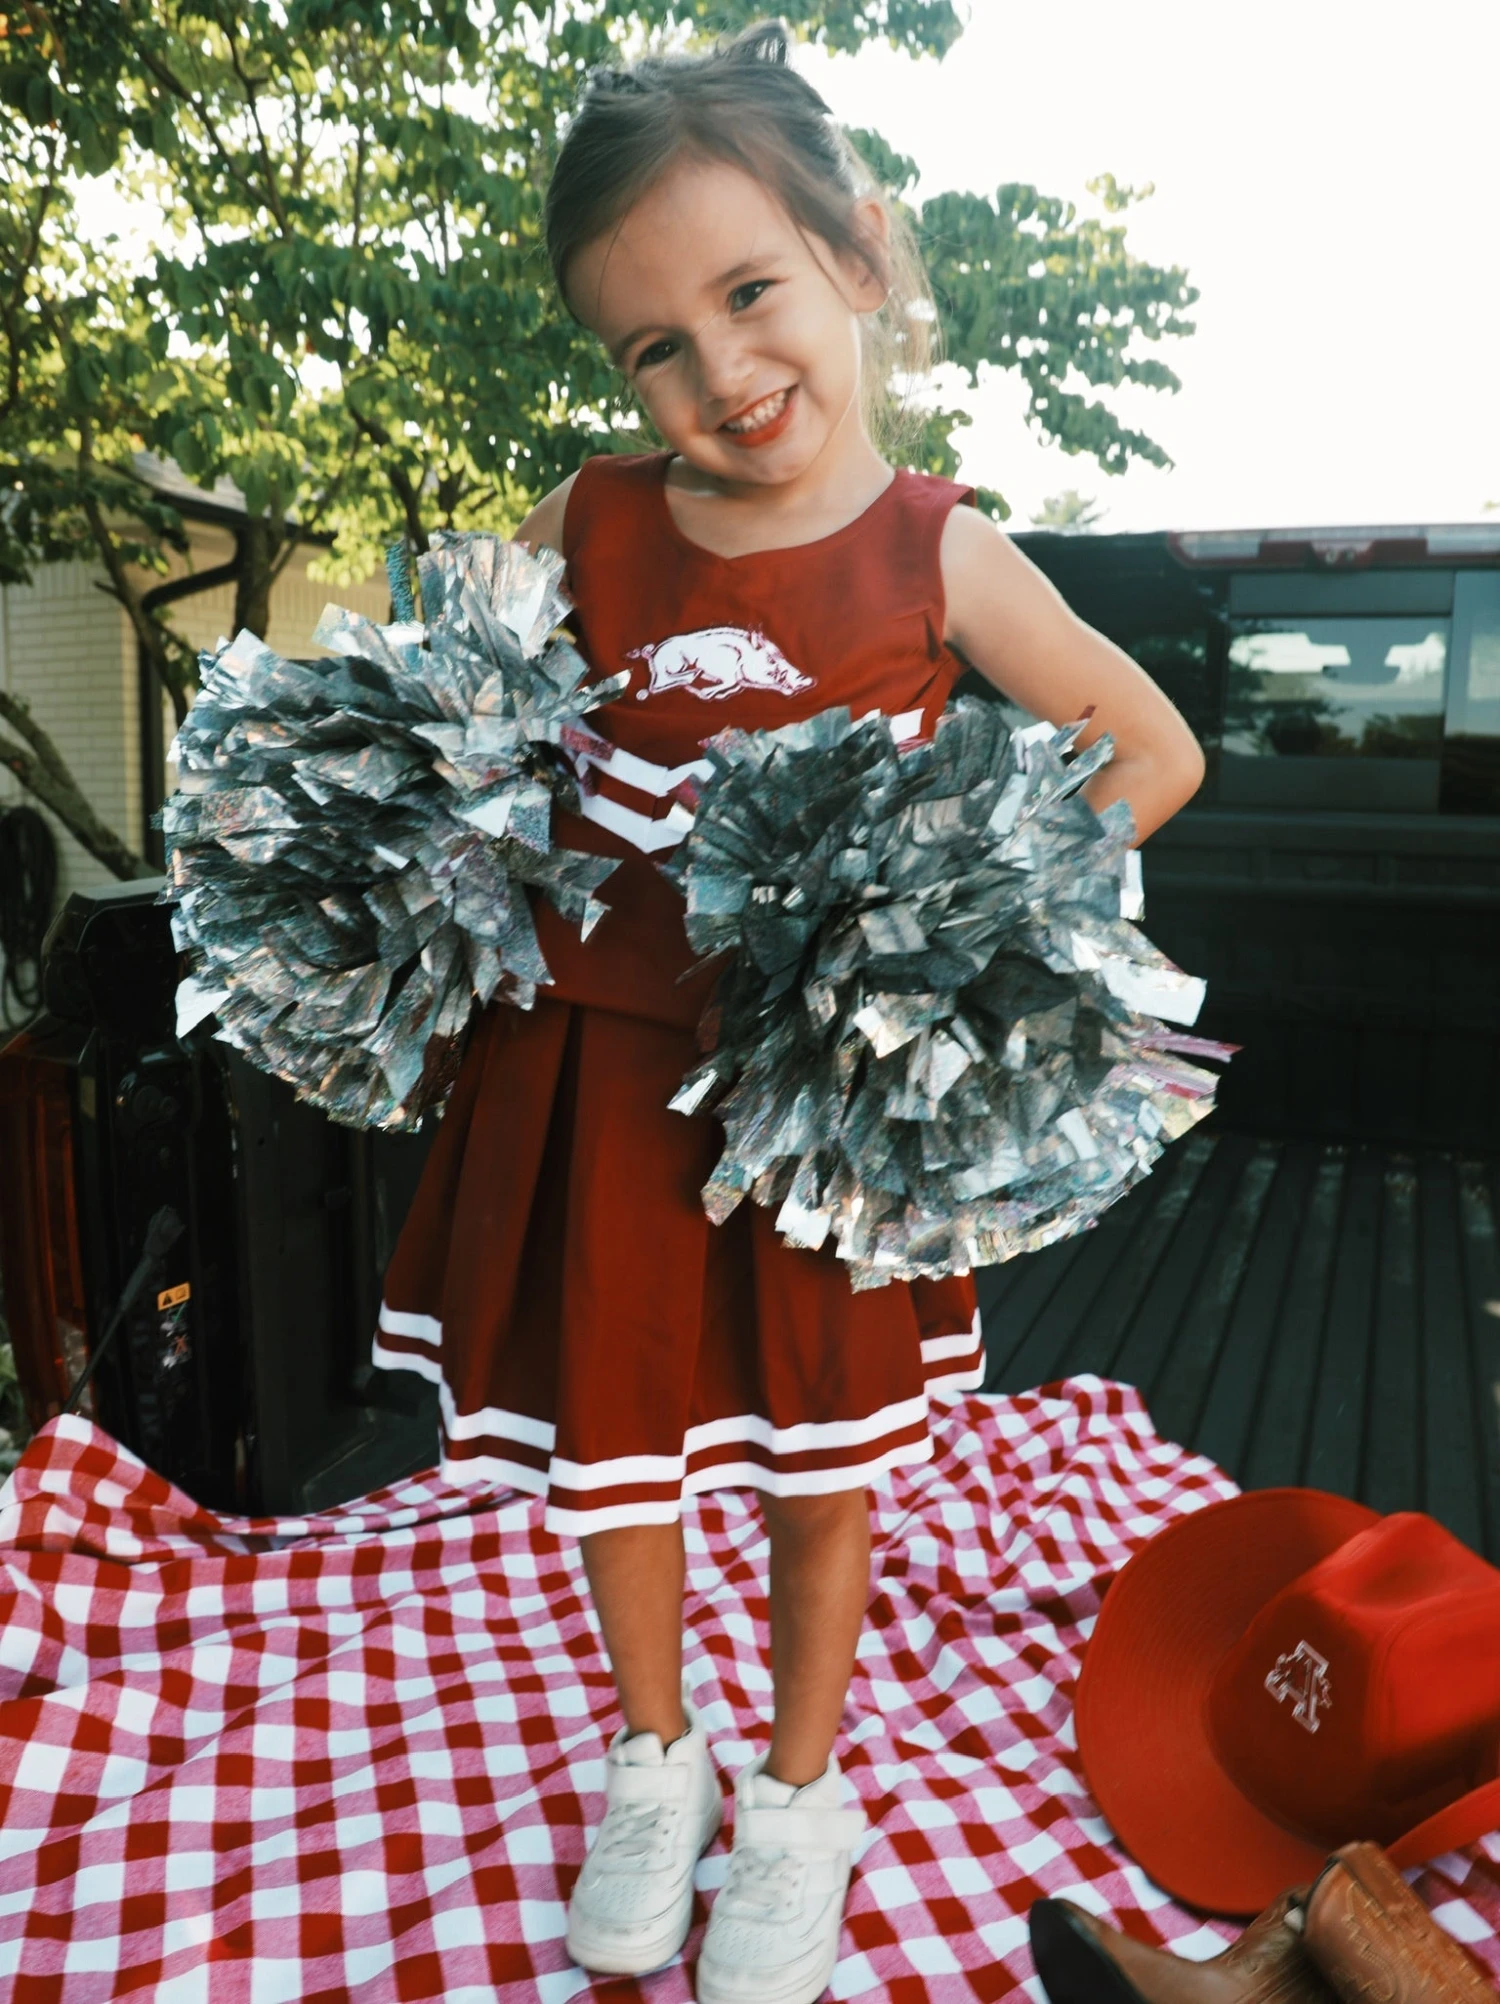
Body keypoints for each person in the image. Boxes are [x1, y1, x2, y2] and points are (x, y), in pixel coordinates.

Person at [373, 19, 1206, 2004]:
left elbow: (1151, 750)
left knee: (820, 1460)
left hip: (812, 1108)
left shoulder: (940, 548)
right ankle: (652, 1757)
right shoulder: (588, 523)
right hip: (591, 1075)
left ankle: (800, 1792)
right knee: (617, 1451)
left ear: (857, 250)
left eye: (751, 290)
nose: (722, 371)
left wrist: (952, 905)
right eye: (655, 344)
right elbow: (451, 718)